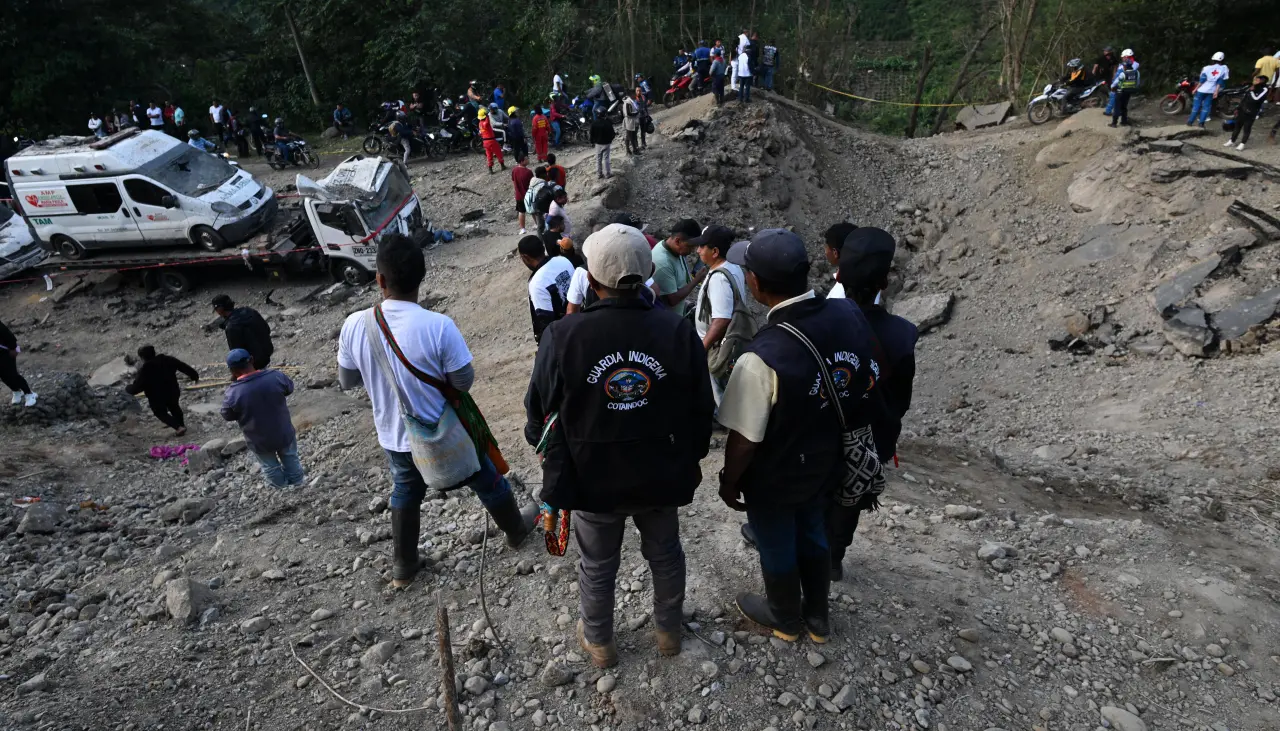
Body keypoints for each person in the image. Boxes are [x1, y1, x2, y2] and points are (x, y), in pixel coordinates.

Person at [523, 223, 714, 668]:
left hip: (593, 476)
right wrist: (689, 455)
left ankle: (600, 642)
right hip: (661, 472)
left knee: (597, 561)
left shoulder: (563, 336)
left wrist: (544, 443)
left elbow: (538, 409)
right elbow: (701, 407)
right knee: (666, 554)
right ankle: (668, 632)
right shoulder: (676, 331)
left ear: (590, 279)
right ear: (648, 273)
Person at [338, 234, 535, 587]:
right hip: (447, 432)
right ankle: (516, 531)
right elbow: (463, 382)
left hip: (395, 435)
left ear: (380, 279)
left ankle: (404, 565)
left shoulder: (355, 324)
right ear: (422, 276)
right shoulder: (438, 325)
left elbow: (347, 380)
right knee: (484, 476)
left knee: (405, 489)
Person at [715, 229, 882, 644]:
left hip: (777, 473)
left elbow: (745, 439)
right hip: (829, 460)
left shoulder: (761, 356)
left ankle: (785, 616)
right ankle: (819, 618)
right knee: (813, 530)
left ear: (754, 283)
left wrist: (729, 481)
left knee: (774, 539)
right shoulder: (848, 314)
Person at [827, 228, 916, 580]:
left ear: (838, 275)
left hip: (821, 436)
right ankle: (835, 557)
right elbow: (901, 398)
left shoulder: (818, 322)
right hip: (871, 438)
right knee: (850, 500)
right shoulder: (902, 333)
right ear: (884, 283)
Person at [221, 348, 303, 488]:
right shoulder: (275, 376)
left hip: (258, 439)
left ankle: (283, 489)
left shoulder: (232, 393)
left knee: (270, 467)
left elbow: (227, 415)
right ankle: (299, 485)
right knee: (290, 457)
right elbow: (289, 388)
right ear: (252, 360)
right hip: (283, 431)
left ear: (231, 371)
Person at [691, 225, 750, 407]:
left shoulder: (719, 278)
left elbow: (722, 319)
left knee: (720, 395)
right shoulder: (733, 267)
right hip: (728, 343)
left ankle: (726, 425)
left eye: (702, 247)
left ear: (715, 251)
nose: (698, 250)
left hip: (718, 347)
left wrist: (702, 348)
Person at [125, 345, 198, 436]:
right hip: (173, 390)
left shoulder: (146, 369)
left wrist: (128, 388)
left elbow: (137, 388)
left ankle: (179, 427)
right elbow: (182, 366)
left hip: (157, 396)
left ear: (142, 357)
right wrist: (194, 375)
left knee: (160, 412)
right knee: (174, 407)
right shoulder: (167, 359)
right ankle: (181, 425)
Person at [518, 234, 574, 342]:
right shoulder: (563, 261)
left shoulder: (537, 283)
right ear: (543, 248)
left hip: (565, 336)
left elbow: (547, 323)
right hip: (581, 319)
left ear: (525, 257)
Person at [651, 218, 707, 316]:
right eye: (690, 246)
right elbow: (672, 300)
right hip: (668, 322)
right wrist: (696, 280)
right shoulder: (663, 262)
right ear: (677, 241)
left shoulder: (676, 251)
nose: (693, 250)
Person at [212, 294, 274, 369]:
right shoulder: (250, 311)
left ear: (220, 309)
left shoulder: (232, 327)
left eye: (215, 309)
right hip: (267, 353)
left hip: (253, 364)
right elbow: (267, 329)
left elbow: (236, 354)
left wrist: (235, 375)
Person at [1225, 75, 1270, 151]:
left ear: (1262, 81)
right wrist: (1238, 108)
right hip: (1242, 109)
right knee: (1237, 126)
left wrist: (1252, 91)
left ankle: (1242, 144)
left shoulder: (1264, 89)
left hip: (1251, 112)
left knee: (1247, 128)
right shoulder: (1252, 87)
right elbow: (1244, 98)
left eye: (1257, 80)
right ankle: (1232, 140)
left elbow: (1256, 99)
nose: (1255, 81)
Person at [0, 319, 37, 407]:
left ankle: (29, 393)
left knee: (12, 374)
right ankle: (16, 391)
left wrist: (13, 348)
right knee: (3, 376)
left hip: (5, 352)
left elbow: (7, 334)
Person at [1188, 52, 1230, 128]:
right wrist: (1216, 92)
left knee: (1196, 107)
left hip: (1201, 91)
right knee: (1206, 107)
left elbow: (1202, 81)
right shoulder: (1224, 68)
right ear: (1222, 60)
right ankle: (1201, 124)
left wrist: (1195, 89)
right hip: (1211, 91)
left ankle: (1190, 122)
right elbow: (1220, 81)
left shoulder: (1206, 68)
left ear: (1213, 59)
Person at [821, 221, 859, 299]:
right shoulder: (868, 279)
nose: (825, 251)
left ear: (835, 253)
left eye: (827, 247)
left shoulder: (840, 294)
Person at [1110, 55, 1140, 128]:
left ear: (1125, 67)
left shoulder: (1123, 73)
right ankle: (1124, 122)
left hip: (1120, 92)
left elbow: (1116, 83)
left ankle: (1114, 123)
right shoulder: (1137, 73)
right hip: (1129, 92)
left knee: (1117, 107)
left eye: (1123, 66)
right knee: (1124, 106)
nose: (1123, 67)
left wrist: (1112, 87)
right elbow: (1138, 82)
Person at [1092, 46, 1120, 115]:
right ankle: (1104, 101)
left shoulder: (1113, 58)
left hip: (1108, 75)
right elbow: (1095, 66)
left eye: (1106, 51)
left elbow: (1115, 67)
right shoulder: (1101, 58)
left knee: (1109, 87)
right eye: (1104, 51)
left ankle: (1110, 101)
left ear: (1110, 52)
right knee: (1100, 88)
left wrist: (1114, 75)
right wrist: (1093, 74)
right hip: (1100, 75)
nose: (1104, 52)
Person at [478, 107, 506, 174]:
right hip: (491, 141)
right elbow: (487, 121)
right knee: (498, 152)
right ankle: (502, 166)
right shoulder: (485, 123)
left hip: (485, 142)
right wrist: (487, 114)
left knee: (489, 155)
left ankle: (490, 169)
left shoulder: (480, 123)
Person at [524, 167, 551, 234]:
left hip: (534, 205)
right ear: (542, 174)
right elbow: (546, 197)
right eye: (545, 173)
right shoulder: (542, 184)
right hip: (541, 207)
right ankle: (547, 240)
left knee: (540, 225)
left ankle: (540, 240)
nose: (546, 175)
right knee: (547, 224)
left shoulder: (533, 181)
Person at [512, 155, 534, 235]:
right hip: (528, 195)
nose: (528, 160)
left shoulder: (514, 170)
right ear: (521, 161)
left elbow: (513, 181)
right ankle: (537, 224)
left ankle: (522, 229)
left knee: (521, 212)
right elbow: (532, 183)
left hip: (519, 195)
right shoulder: (528, 172)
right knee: (533, 211)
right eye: (526, 159)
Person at [590, 114, 615, 179]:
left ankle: (599, 174)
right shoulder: (608, 123)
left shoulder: (594, 123)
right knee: (606, 159)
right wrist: (610, 140)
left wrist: (592, 142)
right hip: (606, 143)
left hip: (598, 144)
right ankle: (607, 174)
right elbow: (612, 134)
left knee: (598, 159)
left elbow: (591, 134)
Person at [622, 91, 642, 156]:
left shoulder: (630, 101)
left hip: (632, 121)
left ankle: (630, 150)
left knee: (630, 136)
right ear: (631, 94)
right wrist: (637, 112)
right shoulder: (628, 102)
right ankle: (634, 150)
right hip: (630, 121)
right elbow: (628, 113)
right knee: (632, 137)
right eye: (634, 94)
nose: (635, 96)